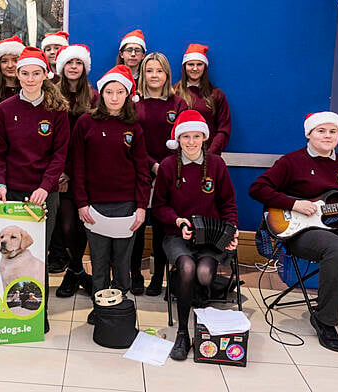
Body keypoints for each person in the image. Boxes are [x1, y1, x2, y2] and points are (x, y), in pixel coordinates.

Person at [249, 111, 338, 352]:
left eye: (333, 131)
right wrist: (294, 204)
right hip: (302, 231)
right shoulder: (291, 162)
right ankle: (324, 320)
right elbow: (258, 189)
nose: (327, 136)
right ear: (309, 133)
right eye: (321, 131)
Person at [0, 46, 69, 333]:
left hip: (44, 195)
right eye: (25, 73)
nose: (30, 78)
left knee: (39, 258)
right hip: (11, 191)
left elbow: (60, 154)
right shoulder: (4, 109)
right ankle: (11, 309)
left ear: (46, 74)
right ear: (17, 74)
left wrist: (45, 187)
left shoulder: (57, 110)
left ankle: (39, 312)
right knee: (12, 256)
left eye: (36, 73)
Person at [152, 109, 238, 360]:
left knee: (203, 274)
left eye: (196, 136)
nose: (191, 142)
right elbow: (159, 207)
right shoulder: (168, 166)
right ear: (178, 139)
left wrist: (231, 230)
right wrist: (177, 221)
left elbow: (228, 204)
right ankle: (182, 333)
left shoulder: (217, 164)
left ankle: (196, 295)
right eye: (185, 136)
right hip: (177, 235)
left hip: (210, 238)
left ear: (204, 138)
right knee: (188, 267)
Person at [72, 65, 150, 324]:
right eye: (109, 91)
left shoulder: (134, 127)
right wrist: (82, 202)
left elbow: (142, 170)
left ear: (127, 96)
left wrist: (141, 207)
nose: (114, 97)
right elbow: (78, 166)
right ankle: (100, 305)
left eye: (119, 92)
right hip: (94, 206)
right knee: (99, 260)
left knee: (122, 261)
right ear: (101, 93)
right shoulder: (86, 123)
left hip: (126, 206)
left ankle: (119, 303)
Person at [130, 52, 188, 296]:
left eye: (159, 71)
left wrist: (163, 168)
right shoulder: (133, 102)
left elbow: (185, 140)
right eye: (149, 70)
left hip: (169, 173)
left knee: (163, 230)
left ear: (167, 74)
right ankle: (135, 276)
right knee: (137, 228)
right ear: (143, 73)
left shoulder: (179, 104)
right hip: (139, 172)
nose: (154, 75)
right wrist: (151, 164)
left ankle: (157, 278)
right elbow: (131, 141)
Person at [52, 44, 98, 297]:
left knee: (81, 226)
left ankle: (74, 273)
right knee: (65, 227)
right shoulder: (51, 95)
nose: (73, 67)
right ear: (61, 67)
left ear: (84, 68)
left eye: (78, 63)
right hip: (56, 173)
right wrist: (59, 171)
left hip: (82, 172)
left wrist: (70, 171)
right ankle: (78, 271)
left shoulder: (94, 98)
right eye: (69, 63)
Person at [173, 44, 231, 155]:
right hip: (179, 158)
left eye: (199, 64)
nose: (195, 68)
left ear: (205, 66)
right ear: (184, 66)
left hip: (209, 158)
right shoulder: (174, 93)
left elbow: (223, 130)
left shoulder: (216, 95)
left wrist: (210, 154)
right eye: (191, 64)